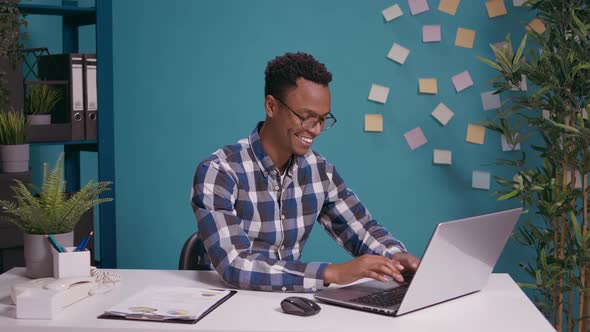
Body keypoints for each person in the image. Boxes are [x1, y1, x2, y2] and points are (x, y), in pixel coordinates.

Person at [191, 52, 419, 292]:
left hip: (284, 304)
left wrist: (396, 257)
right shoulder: (219, 172)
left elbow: (360, 227)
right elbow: (234, 265)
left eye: (322, 119)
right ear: (271, 106)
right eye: (307, 117)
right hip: (226, 303)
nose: (317, 130)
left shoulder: (319, 171)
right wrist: (332, 273)